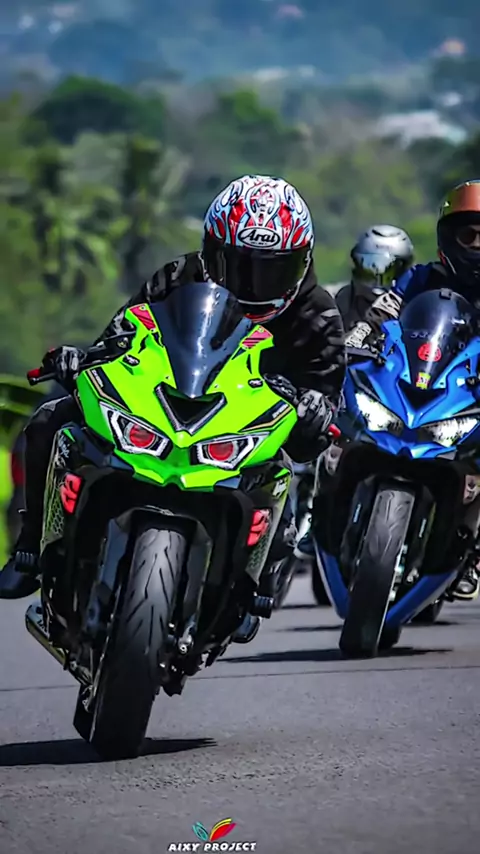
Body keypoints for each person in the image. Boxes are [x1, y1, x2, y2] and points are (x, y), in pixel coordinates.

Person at [0, 174, 347, 637]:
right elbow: (118, 337)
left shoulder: (319, 313)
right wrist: (81, 359)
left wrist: (316, 410)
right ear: (210, 252)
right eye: (237, 266)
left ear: (302, 261)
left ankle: (248, 589)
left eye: (273, 270)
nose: (254, 284)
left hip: (244, 428)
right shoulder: (178, 276)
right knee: (51, 418)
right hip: (162, 403)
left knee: (287, 477)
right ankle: (29, 548)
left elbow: (325, 399)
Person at [345, 179, 480, 600]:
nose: (477, 246)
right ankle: (328, 516)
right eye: (469, 235)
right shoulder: (419, 279)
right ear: (448, 238)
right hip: (414, 387)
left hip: (469, 397)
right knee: (342, 433)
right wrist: (355, 340)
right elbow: (380, 315)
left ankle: (473, 551)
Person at [335, 224, 414, 331]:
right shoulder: (342, 300)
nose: (377, 282)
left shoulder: (414, 305)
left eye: (388, 269)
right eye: (369, 266)